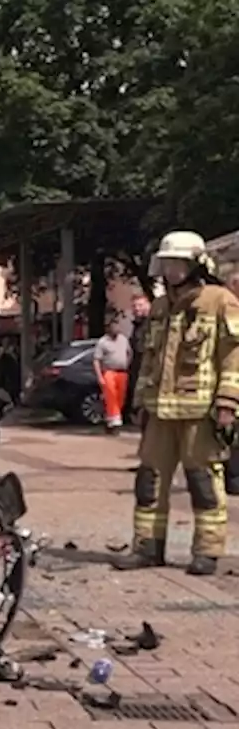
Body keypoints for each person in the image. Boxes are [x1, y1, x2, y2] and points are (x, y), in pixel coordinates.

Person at [114, 231, 239, 576]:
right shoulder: (159, 306)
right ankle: (147, 547)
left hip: (200, 410)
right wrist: (139, 402)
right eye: (166, 263)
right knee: (149, 480)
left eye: (177, 263)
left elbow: (233, 357)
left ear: (196, 264)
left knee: (203, 481)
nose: (170, 270)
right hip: (159, 410)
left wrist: (228, 402)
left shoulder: (220, 301)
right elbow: (149, 360)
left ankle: (207, 552)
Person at [93, 316, 132, 433]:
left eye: (117, 326)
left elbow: (129, 353)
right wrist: (100, 376)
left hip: (122, 372)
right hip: (109, 372)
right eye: (113, 326)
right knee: (111, 396)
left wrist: (127, 363)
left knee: (121, 398)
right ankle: (116, 422)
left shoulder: (124, 340)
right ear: (108, 328)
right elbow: (96, 360)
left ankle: (110, 420)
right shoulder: (102, 342)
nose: (116, 328)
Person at [125, 292, 152, 424]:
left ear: (148, 305)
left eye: (140, 305)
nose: (137, 309)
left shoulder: (153, 323)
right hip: (138, 367)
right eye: (134, 306)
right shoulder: (137, 325)